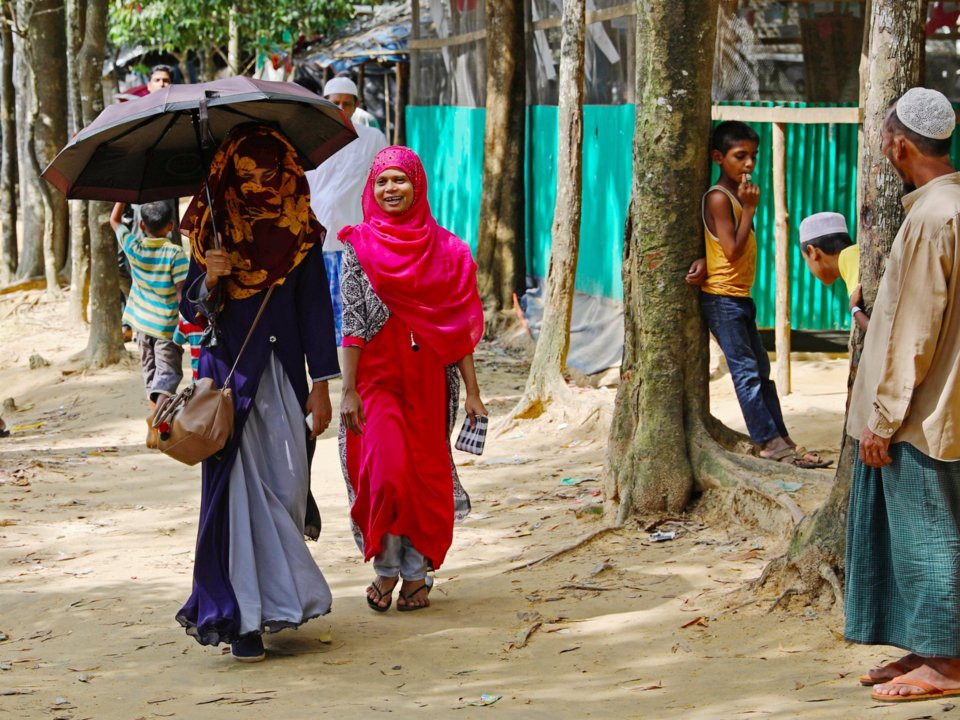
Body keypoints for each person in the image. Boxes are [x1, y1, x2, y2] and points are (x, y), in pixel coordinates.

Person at [177, 124, 340, 662]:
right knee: (236, 499)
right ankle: (243, 619)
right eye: (248, 174)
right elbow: (190, 311)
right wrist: (211, 278)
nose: (261, 184)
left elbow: (316, 308)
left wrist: (322, 384)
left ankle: (278, 598)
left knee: (288, 487)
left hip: (287, 377)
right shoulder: (211, 227)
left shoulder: (302, 231)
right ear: (230, 172)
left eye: (270, 172)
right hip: (229, 381)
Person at [843, 87, 960, 704]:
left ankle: (947, 664)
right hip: (945, 404)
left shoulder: (933, 216)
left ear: (898, 145)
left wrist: (883, 419)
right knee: (924, 533)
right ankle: (930, 647)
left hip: (922, 413)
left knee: (928, 536)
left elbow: (918, 328)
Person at [338, 146, 485, 612]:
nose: (389, 189)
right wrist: (346, 390)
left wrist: (474, 395)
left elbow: (458, 329)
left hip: (429, 380)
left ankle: (415, 576)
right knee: (388, 475)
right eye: (381, 181)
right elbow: (352, 322)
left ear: (417, 185)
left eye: (399, 180)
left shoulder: (449, 251)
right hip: (375, 381)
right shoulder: (357, 246)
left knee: (423, 479)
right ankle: (386, 570)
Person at [695, 121, 828, 469]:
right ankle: (768, 443)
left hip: (739, 297)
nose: (749, 164)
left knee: (762, 370)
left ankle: (781, 437)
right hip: (722, 299)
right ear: (718, 157)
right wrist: (750, 209)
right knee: (746, 374)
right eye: (740, 157)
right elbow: (732, 250)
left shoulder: (735, 195)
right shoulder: (720, 198)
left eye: (753, 156)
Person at [305, 76, 388, 345]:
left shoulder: (373, 138)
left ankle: (353, 365)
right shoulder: (309, 138)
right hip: (315, 236)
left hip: (355, 239)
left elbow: (382, 183)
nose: (341, 107)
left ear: (356, 105)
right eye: (334, 102)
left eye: (346, 103)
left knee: (355, 307)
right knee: (318, 308)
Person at [118, 64, 179, 342]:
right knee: (131, 261)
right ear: (149, 84)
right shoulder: (138, 113)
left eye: (167, 80)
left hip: (167, 192)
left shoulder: (178, 113)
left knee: (167, 259)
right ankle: (133, 318)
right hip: (140, 194)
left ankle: (171, 321)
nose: (163, 84)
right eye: (158, 80)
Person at [109, 200, 187, 414]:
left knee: (150, 374)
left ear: (142, 225)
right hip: (166, 328)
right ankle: (157, 419)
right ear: (171, 225)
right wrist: (187, 321)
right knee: (168, 375)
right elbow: (182, 291)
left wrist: (122, 196)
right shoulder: (175, 253)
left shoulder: (134, 247)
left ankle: (154, 420)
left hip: (141, 326)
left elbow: (114, 220)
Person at [798, 212, 868, 332]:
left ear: (812, 251)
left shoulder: (850, 258)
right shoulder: (854, 253)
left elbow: (880, 332)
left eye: (806, 259)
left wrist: (854, 309)